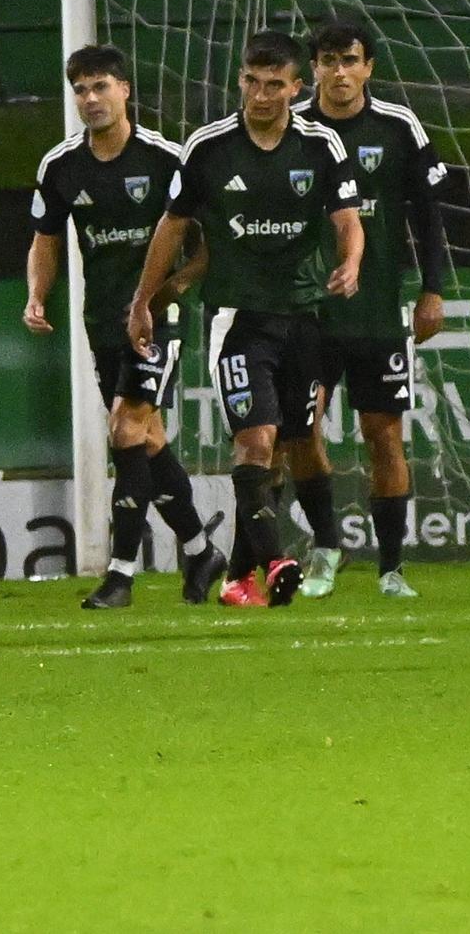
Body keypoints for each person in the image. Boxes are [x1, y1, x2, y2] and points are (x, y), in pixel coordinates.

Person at [129, 30, 363, 608]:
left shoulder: (321, 145)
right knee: (255, 442)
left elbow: (348, 220)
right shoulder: (207, 148)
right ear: (240, 81)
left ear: (295, 87)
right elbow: (172, 227)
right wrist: (143, 299)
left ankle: (244, 575)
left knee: (295, 441)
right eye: (252, 83)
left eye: (274, 85)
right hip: (237, 319)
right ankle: (280, 558)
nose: (261, 95)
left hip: (305, 314)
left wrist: (352, 262)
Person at [24, 45, 228, 610]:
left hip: (160, 318)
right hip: (102, 320)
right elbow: (45, 239)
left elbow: (211, 243)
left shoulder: (167, 160)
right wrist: (37, 295)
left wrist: (175, 289)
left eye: (100, 88)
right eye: (81, 91)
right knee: (149, 439)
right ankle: (199, 547)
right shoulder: (61, 166)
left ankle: (120, 575)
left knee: (124, 429)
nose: (91, 100)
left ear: (125, 90)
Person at [285, 16, 451, 599]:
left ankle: (391, 568)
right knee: (300, 431)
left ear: (369, 67)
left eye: (350, 61)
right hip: (308, 312)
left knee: (384, 435)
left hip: (379, 310)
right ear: (313, 70)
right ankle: (327, 545)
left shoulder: (398, 126)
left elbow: (428, 213)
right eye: (328, 62)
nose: (339, 73)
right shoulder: (292, 127)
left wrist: (433, 290)